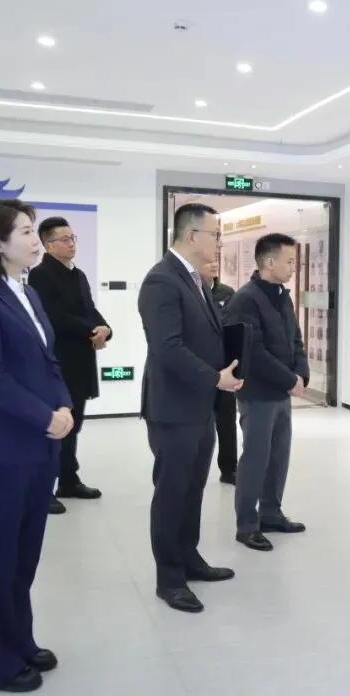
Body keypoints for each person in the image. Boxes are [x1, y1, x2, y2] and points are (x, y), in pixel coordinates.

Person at [0, 199, 74, 692]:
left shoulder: (27, 292)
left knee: (24, 558)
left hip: (40, 447)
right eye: (25, 231)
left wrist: (64, 405)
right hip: (3, 450)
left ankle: (19, 640)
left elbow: (49, 360)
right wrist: (45, 416)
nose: (34, 240)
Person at [137, 203, 243, 613]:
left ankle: (189, 558)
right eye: (216, 234)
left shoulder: (196, 280)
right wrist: (215, 377)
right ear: (193, 235)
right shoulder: (161, 281)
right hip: (174, 408)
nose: (219, 242)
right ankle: (169, 578)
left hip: (199, 406)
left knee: (193, 488)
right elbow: (168, 347)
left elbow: (208, 337)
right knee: (171, 492)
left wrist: (235, 366)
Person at [224, 233, 309, 552]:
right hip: (258, 393)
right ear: (269, 262)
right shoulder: (245, 299)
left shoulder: (282, 296)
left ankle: (271, 514)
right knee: (256, 459)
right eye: (290, 261)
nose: (294, 267)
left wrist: (301, 373)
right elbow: (254, 351)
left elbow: (295, 338)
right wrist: (288, 379)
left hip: (281, 393)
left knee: (278, 457)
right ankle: (247, 525)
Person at [29, 216, 110, 514]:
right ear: (48, 245)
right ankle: (43, 487)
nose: (71, 243)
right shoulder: (40, 276)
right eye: (64, 239)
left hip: (81, 359)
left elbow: (90, 310)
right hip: (59, 360)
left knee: (74, 424)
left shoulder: (79, 274)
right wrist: (92, 331)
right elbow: (55, 316)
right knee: (56, 425)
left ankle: (68, 480)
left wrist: (105, 329)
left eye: (73, 237)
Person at [199, 256, 239, 485]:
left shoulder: (227, 293)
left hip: (224, 367)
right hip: (199, 368)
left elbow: (234, 328)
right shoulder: (191, 292)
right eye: (208, 261)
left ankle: (229, 469)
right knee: (198, 422)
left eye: (216, 261)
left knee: (227, 420)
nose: (213, 264)